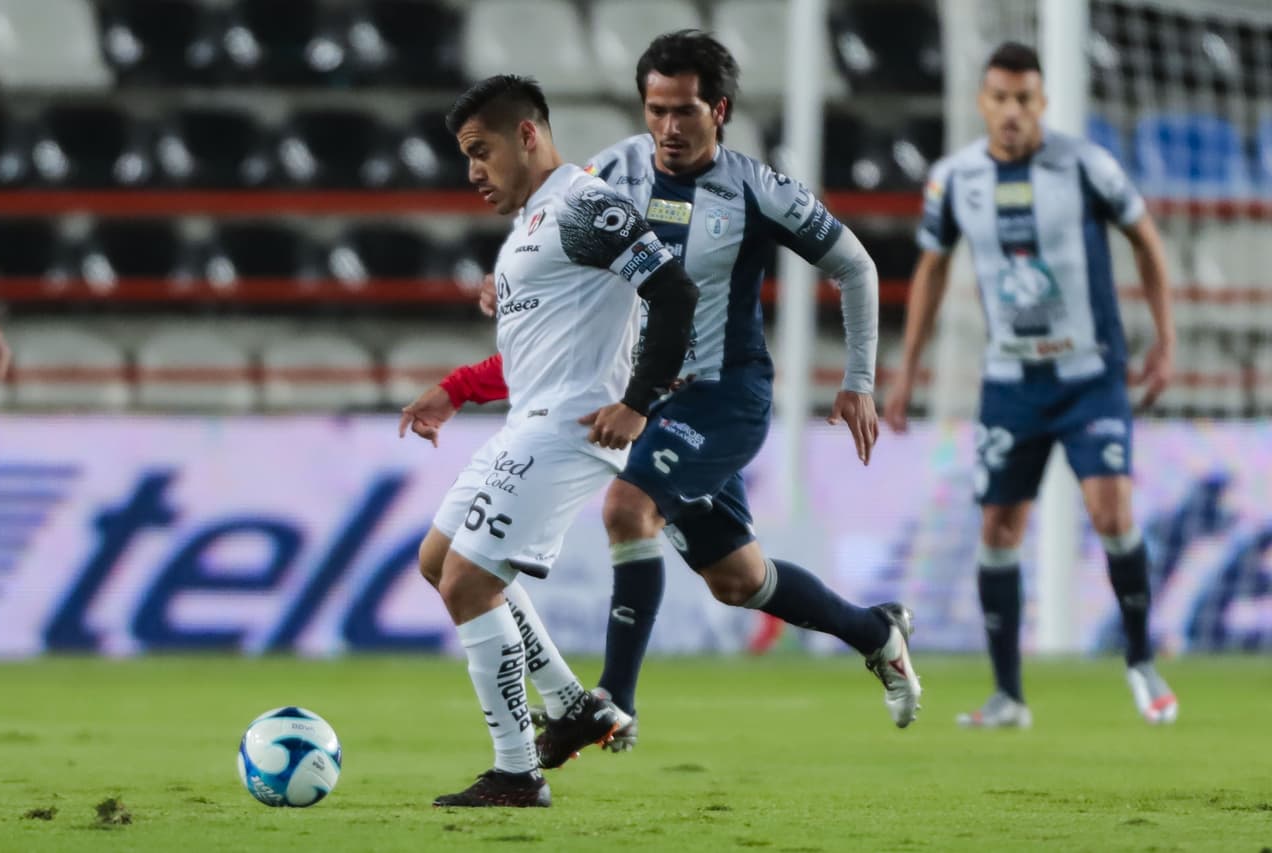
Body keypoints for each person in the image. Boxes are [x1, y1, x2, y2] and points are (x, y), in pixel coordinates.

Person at [405, 30, 923, 768]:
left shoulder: (757, 189)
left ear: (721, 109)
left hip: (720, 394)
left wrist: (859, 379)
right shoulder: (612, 169)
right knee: (738, 579)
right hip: (645, 391)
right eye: (656, 110)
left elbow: (856, 266)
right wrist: (508, 281)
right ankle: (877, 633)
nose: (669, 128)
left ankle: (611, 703)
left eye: (685, 111)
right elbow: (552, 234)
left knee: (627, 507)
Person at [404, 73, 698, 807]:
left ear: (528, 135)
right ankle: (572, 703)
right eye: (465, 155)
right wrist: (457, 387)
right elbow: (543, 349)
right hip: (526, 421)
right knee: (437, 562)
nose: (473, 170)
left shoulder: (584, 205)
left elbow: (673, 291)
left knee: (472, 581)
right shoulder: (530, 227)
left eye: (482, 151)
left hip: (570, 429)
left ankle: (516, 772)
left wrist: (637, 402)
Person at [883, 42, 1179, 728]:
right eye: (1000, 98)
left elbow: (1148, 244)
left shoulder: (1085, 165)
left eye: (1025, 99)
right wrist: (906, 371)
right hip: (1011, 384)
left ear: (1043, 102)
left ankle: (1140, 660)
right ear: (982, 101)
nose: (1012, 111)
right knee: (999, 527)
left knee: (1111, 511)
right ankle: (1008, 695)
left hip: (1088, 376)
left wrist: (1165, 341)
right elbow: (930, 270)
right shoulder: (955, 179)